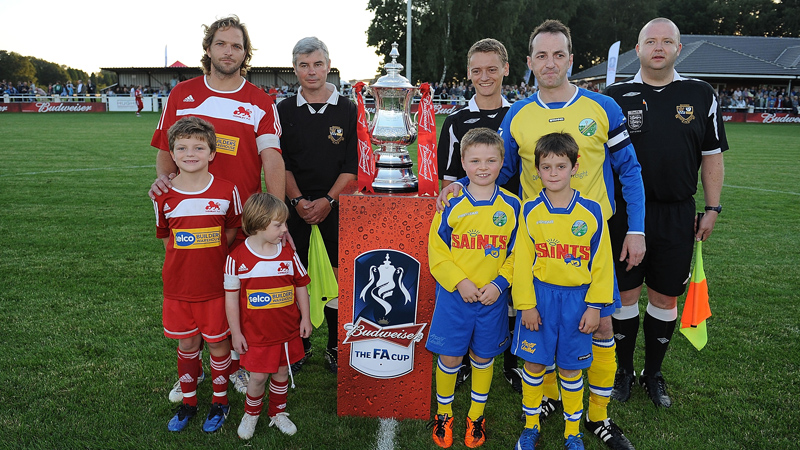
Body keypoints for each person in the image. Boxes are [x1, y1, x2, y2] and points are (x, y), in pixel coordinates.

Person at [437, 19, 641, 450]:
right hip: (539, 241)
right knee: (541, 324)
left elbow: (630, 171)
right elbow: (500, 172)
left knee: (600, 325)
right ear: (529, 63)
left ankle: (597, 417)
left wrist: (636, 228)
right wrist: (460, 186)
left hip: (590, 239)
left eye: (559, 54)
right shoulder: (518, 115)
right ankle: (546, 402)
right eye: (542, 56)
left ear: (571, 58)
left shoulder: (603, 108)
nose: (550, 63)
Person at [149, 14, 285, 402]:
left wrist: (273, 213)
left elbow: (272, 158)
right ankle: (190, 372)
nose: (229, 51)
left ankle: (239, 368)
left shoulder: (259, 100)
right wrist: (166, 187)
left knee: (238, 294)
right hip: (189, 217)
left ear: (246, 54)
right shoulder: (182, 95)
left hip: (240, 218)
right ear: (208, 48)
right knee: (191, 292)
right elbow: (164, 150)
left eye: (237, 46)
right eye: (222, 44)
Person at [605, 17, 727, 409]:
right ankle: (623, 370)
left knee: (664, 297)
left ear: (678, 48)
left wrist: (712, 207)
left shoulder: (701, 93)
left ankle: (652, 373)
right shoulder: (614, 96)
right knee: (624, 295)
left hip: (677, 214)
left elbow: (712, 157)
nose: (658, 47)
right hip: (624, 215)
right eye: (650, 41)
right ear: (637, 50)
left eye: (667, 41)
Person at [512, 132, 613, 450]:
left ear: (574, 166)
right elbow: (521, 263)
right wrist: (526, 304)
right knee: (534, 365)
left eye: (560, 165)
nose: (553, 173)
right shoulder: (529, 211)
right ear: (537, 170)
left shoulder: (592, 211)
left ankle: (573, 433)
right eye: (546, 167)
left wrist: (595, 306)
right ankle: (531, 426)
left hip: (577, 301)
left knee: (570, 367)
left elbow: (602, 263)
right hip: (540, 299)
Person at [436, 38, 523, 393]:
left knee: (511, 289)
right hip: (472, 223)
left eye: (491, 68)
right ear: (468, 73)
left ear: (505, 69)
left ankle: (508, 360)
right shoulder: (456, 120)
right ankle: (468, 359)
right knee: (472, 283)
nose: (484, 76)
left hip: (512, 216)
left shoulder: (521, 114)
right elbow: (449, 181)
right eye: (476, 70)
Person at [426, 128, 521, 449]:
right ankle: (444, 414)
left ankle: (475, 417)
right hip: (455, 298)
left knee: (483, 358)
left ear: (502, 162)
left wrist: (500, 283)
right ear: (463, 163)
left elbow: (517, 253)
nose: (483, 167)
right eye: (475, 160)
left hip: (492, 300)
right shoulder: (451, 202)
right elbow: (436, 250)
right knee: (451, 359)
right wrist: (459, 281)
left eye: (491, 160)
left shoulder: (512, 205)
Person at [152, 116, 241, 433]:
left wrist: (210, 253)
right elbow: (167, 238)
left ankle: (220, 402)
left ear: (212, 152)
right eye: (182, 148)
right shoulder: (162, 196)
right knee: (187, 344)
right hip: (178, 288)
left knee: (218, 346)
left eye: (198, 147)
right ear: (173, 155)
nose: (191, 153)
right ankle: (189, 403)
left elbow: (230, 230)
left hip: (215, 287)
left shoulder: (226, 191)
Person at [278, 36, 357, 374]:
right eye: (303, 65)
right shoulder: (282, 110)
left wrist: (327, 201)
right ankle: (301, 343)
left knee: (339, 277)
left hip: (337, 205)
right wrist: (297, 201)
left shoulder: (349, 108)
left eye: (317, 64)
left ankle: (335, 346)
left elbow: (352, 165)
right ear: (295, 69)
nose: (311, 71)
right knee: (296, 275)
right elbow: (282, 163)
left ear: (328, 65)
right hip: (293, 206)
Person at [224, 193, 312, 440]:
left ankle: (278, 412)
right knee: (258, 377)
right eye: (279, 225)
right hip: (256, 335)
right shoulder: (236, 259)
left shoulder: (288, 254)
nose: (285, 229)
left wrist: (305, 318)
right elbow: (231, 300)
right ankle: (251, 414)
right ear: (260, 224)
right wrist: (236, 333)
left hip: (285, 331)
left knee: (282, 373)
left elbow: (300, 286)